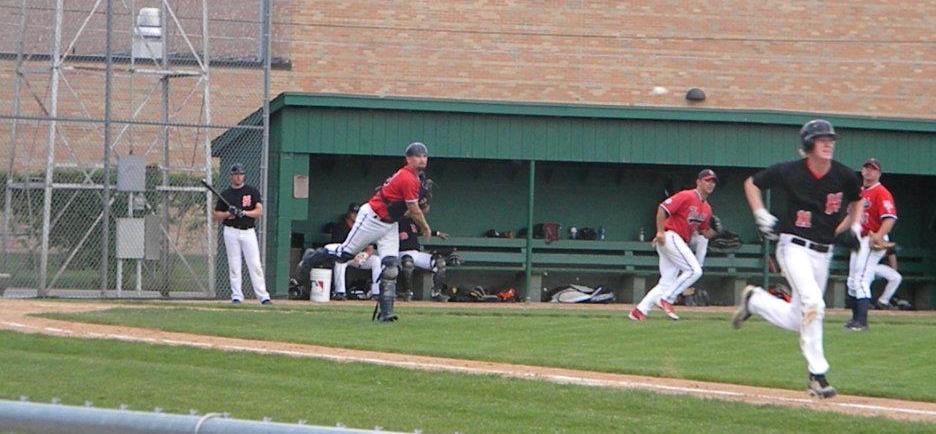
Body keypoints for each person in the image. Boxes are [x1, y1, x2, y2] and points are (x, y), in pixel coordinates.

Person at [733, 119, 862, 399]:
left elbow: (857, 199)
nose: (828, 143)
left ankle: (755, 300)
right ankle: (817, 375)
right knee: (814, 303)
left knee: (799, 317)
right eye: (821, 139)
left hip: (823, 252)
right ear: (808, 144)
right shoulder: (790, 171)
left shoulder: (845, 176)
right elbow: (752, 183)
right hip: (793, 247)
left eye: (831, 139)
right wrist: (760, 214)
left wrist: (853, 225)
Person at [297, 142, 432, 322]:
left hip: (390, 224)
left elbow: (405, 210)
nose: (421, 159)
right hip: (372, 218)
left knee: (390, 267)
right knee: (345, 254)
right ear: (408, 159)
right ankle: (311, 258)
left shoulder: (415, 179)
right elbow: (413, 209)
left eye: (424, 156)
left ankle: (386, 313)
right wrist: (425, 227)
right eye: (417, 156)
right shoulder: (407, 177)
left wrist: (421, 206)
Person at [629, 169, 718, 321]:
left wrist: (717, 233)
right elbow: (663, 208)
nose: (710, 184)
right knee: (695, 270)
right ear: (698, 182)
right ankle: (667, 299)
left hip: (678, 242)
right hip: (670, 237)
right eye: (707, 180)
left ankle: (639, 311)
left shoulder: (707, 209)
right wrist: (660, 232)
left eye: (713, 181)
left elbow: (704, 231)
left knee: (666, 282)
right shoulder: (687, 195)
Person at [845, 158, 897, 330]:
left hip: (873, 238)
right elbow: (850, 217)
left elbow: (889, 218)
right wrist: (835, 232)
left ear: (879, 173)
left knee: (861, 278)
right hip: (860, 239)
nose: (869, 171)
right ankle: (855, 319)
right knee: (852, 280)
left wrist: (879, 236)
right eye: (867, 168)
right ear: (862, 171)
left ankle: (862, 321)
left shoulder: (881, 192)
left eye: (873, 169)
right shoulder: (859, 192)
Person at [212, 163, 272, 305]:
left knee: (255, 264)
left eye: (240, 174)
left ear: (244, 175)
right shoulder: (226, 194)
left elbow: (259, 211)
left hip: (248, 231)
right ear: (231, 176)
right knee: (234, 264)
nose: (238, 177)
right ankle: (237, 296)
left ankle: (263, 296)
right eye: (235, 174)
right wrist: (229, 213)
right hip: (231, 231)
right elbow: (216, 215)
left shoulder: (252, 192)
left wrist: (244, 212)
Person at [398, 196, 453, 302]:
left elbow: (422, 230)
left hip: (416, 253)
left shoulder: (414, 220)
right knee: (408, 262)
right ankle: (408, 292)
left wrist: (436, 233)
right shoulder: (397, 219)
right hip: (401, 253)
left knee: (440, 263)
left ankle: (436, 293)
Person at [330, 202, 381, 301]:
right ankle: (340, 292)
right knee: (340, 261)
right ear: (349, 213)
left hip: (358, 258)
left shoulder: (364, 226)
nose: (355, 215)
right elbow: (338, 249)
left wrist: (365, 254)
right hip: (346, 256)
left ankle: (376, 293)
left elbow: (370, 248)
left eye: (357, 213)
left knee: (376, 260)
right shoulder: (340, 227)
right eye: (354, 213)